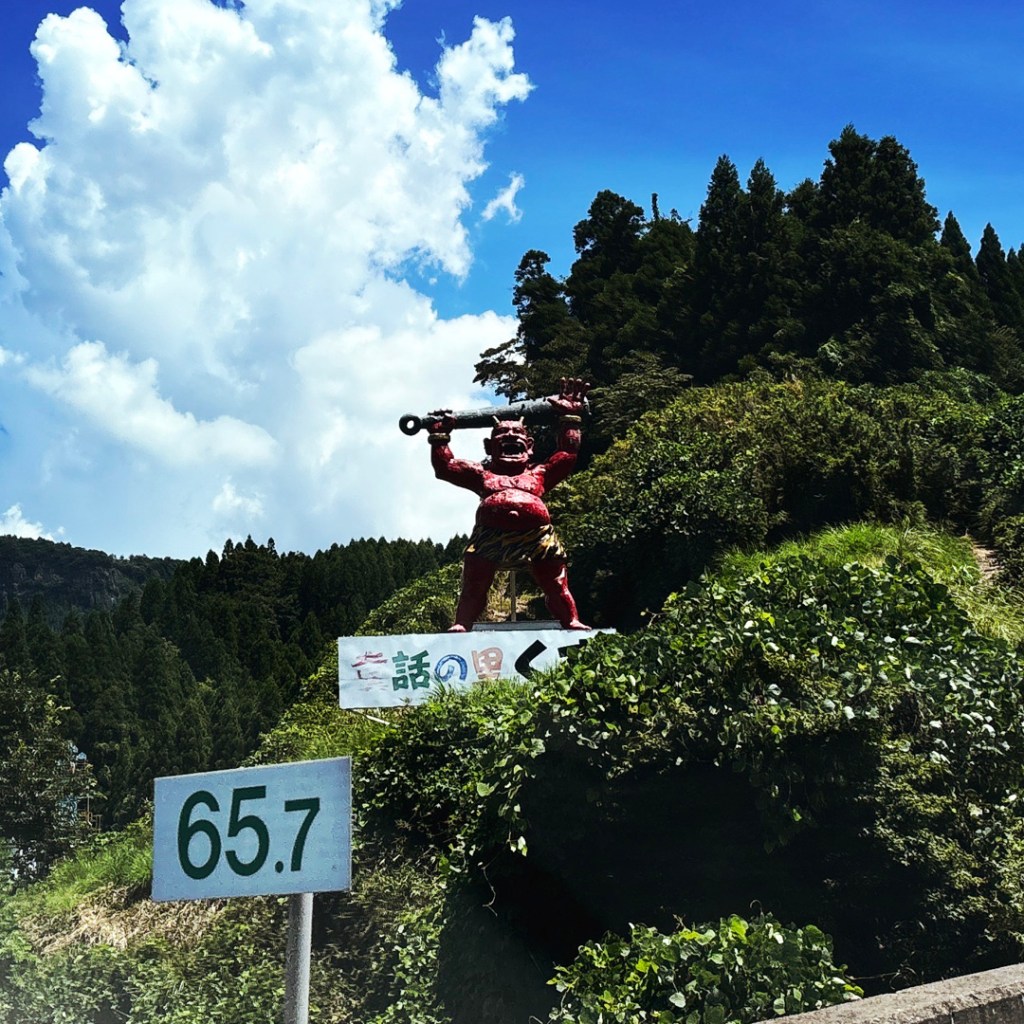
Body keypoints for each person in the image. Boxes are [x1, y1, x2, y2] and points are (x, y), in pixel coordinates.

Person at [426, 378, 590, 632]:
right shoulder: (482, 475)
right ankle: (462, 623)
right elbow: (445, 467)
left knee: (556, 583)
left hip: (538, 536)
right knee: (474, 584)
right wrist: (439, 436)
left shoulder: (539, 474)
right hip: (489, 536)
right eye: (502, 434)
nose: (511, 436)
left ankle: (571, 620)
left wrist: (570, 418)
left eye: (518, 434)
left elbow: (568, 454)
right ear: (489, 447)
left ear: (530, 446)